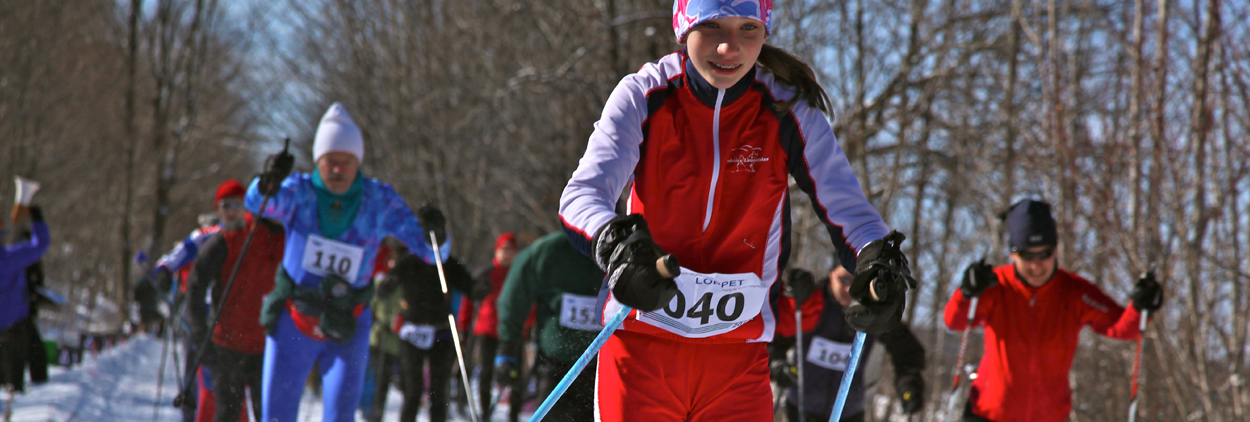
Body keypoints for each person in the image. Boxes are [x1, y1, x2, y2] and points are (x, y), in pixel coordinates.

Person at [557, 1, 915, 419]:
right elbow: (583, 195)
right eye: (712, 26)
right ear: (683, 27)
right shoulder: (646, 94)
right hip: (642, 347)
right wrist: (617, 244)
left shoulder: (787, 110)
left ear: (765, 32)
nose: (729, 47)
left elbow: (850, 211)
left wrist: (877, 260)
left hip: (737, 362)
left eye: (747, 28)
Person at [248, 102, 450, 422]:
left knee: (342, 415)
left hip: (349, 323)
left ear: (358, 161)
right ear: (318, 161)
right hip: (295, 319)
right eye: (331, 161)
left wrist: (436, 233)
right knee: (277, 416)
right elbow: (259, 204)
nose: (338, 170)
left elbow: (432, 252)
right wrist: (266, 182)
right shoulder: (301, 191)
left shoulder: (378, 200)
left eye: (347, 161)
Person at [944, 199, 1164, 421]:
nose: (1036, 265)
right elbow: (955, 321)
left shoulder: (1074, 291)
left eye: (1045, 254)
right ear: (1012, 253)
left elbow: (1122, 327)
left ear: (1055, 250)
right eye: (1027, 256)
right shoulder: (996, 285)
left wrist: (1140, 306)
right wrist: (966, 293)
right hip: (988, 415)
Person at [186, 179, 285, 422]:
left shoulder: (287, 239)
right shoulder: (228, 238)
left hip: (269, 347)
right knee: (228, 415)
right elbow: (196, 286)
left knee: (271, 416)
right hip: (227, 347)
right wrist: (200, 336)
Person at [771, 265, 925, 422]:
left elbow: (906, 349)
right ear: (831, 274)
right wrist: (777, 364)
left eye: (858, 282)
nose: (850, 289)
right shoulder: (811, 303)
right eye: (844, 280)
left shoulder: (873, 312)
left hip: (850, 413)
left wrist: (909, 382)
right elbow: (776, 339)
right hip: (801, 408)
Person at [492, 232, 606, 422]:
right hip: (556, 364)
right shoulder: (549, 250)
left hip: (603, 366)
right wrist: (507, 347)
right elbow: (514, 298)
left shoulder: (624, 250)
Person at [377, 231, 477, 422]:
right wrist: (387, 284)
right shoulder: (408, 262)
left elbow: (471, 287)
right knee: (413, 390)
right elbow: (385, 287)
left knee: (438, 391)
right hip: (412, 331)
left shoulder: (446, 263)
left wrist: (480, 287)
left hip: (442, 331)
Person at [462, 232, 531, 422]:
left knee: (515, 375)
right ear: (496, 251)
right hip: (487, 331)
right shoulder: (485, 273)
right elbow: (469, 299)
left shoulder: (520, 275)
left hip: (513, 332)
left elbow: (529, 302)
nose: (506, 255)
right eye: (503, 250)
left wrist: (528, 325)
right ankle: (485, 413)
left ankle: (514, 415)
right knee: (486, 373)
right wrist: (464, 327)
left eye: (511, 251)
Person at [0, 199, 50, 395]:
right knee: (12, 388)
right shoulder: (11, 258)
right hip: (14, 329)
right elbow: (41, 244)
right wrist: (36, 217)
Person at [361, 241, 396, 422]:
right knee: (370, 376)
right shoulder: (379, 281)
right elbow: (370, 307)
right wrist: (377, 321)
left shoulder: (402, 284)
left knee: (383, 380)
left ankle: (377, 413)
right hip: (376, 337)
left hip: (394, 341)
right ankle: (368, 410)